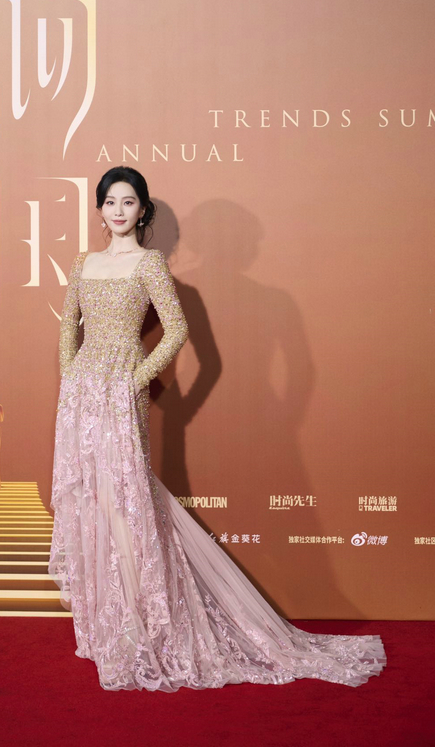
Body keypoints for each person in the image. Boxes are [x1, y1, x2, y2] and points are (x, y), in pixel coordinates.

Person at [48, 165, 386, 692]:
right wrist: (71, 376)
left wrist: (135, 379)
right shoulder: (83, 263)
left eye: (129, 202)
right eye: (110, 201)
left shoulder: (149, 263)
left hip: (121, 390)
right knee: (95, 497)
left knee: (126, 501)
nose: (118, 210)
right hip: (82, 393)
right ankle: (109, 621)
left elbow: (177, 330)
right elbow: (68, 326)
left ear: (143, 210)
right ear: (99, 208)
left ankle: (139, 624)